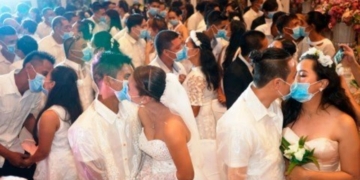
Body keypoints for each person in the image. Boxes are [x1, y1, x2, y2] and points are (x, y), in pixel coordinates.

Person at [217, 47, 296, 179]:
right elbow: (236, 176)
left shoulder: (274, 103)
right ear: (277, 83)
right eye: (294, 76)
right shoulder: (238, 125)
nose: (297, 81)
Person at [282, 48, 359, 179]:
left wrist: (306, 175)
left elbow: (353, 175)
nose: (294, 81)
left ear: (322, 83)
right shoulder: (286, 111)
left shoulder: (344, 122)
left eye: (302, 75)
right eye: (294, 75)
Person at [68, 51, 141, 180]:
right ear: (107, 80)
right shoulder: (84, 129)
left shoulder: (135, 111)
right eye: (127, 76)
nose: (132, 82)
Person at [128, 66, 206, 180]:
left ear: (145, 98)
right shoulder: (143, 112)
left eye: (128, 88)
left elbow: (187, 175)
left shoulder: (172, 128)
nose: (125, 90)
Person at [0, 51, 55, 179]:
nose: (46, 80)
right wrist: (8, 154)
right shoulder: (2, 87)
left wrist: (40, 136)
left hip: (13, 147)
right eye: (45, 74)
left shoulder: (34, 92)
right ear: (28, 67)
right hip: (6, 152)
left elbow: (27, 115)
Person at [21, 66, 81, 180]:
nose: (43, 81)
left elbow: (43, 151)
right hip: (71, 163)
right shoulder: (73, 109)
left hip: (55, 165)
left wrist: (28, 162)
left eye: (45, 77)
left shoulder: (50, 115)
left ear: (52, 84)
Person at [183, 31, 220, 139]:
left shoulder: (196, 75)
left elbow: (195, 109)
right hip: (208, 115)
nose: (184, 49)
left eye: (186, 46)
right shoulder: (205, 69)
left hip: (199, 119)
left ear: (195, 51)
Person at [224, 31, 268, 109]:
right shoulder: (234, 73)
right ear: (254, 53)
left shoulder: (256, 65)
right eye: (264, 50)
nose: (267, 53)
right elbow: (234, 105)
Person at [60, 36, 95, 109]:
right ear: (72, 52)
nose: (88, 49)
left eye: (87, 45)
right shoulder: (60, 71)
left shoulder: (88, 67)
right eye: (84, 46)